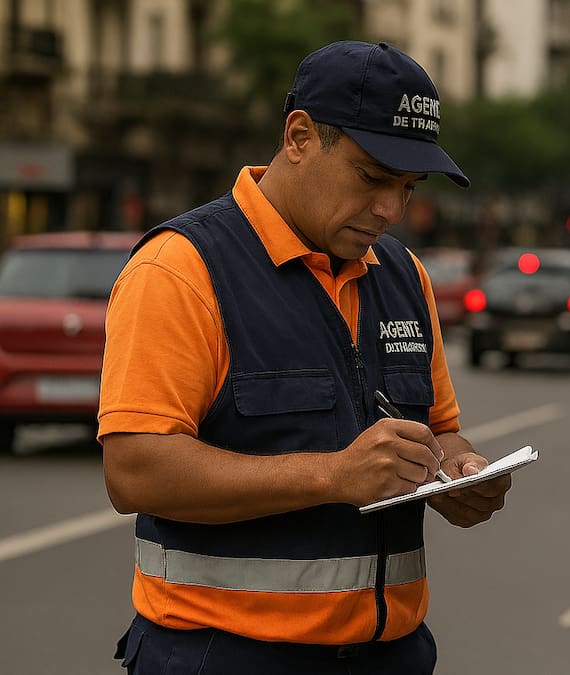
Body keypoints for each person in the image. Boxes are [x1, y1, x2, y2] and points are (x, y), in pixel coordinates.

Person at [99, 40, 512, 674]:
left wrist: (459, 470)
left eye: (408, 187)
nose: (391, 209)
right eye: (372, 177)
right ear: (298, 137)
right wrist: (333, 476)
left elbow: (440, 430)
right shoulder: (181, 268)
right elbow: (135, 471)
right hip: (223, 656)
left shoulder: (404, 274)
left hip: (392, 656)